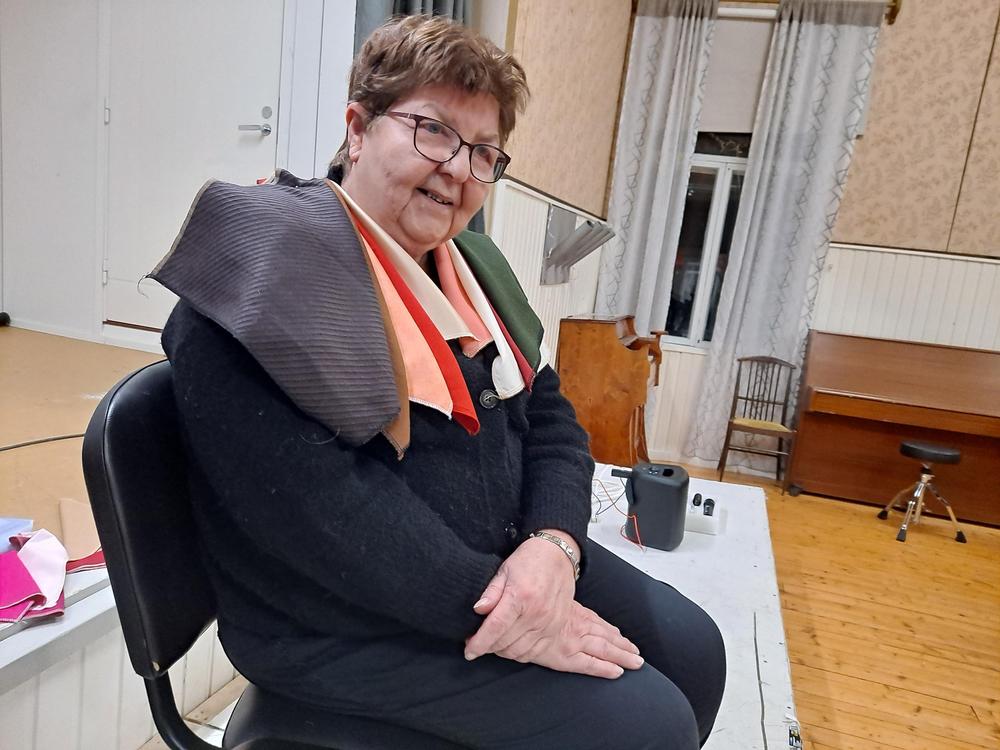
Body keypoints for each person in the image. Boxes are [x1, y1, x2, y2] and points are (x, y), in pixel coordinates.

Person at [155, 15, 725, 749]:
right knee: (649, 725)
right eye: (433, 130)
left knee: (695, 650)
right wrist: (511, 610)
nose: (458, 168)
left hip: (505, 558)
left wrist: (555, 545)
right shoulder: (263, 282)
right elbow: (327, 516)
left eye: (483, 151)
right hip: (339, 622)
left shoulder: (473, 270)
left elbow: (551, 419)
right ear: (357, 129)